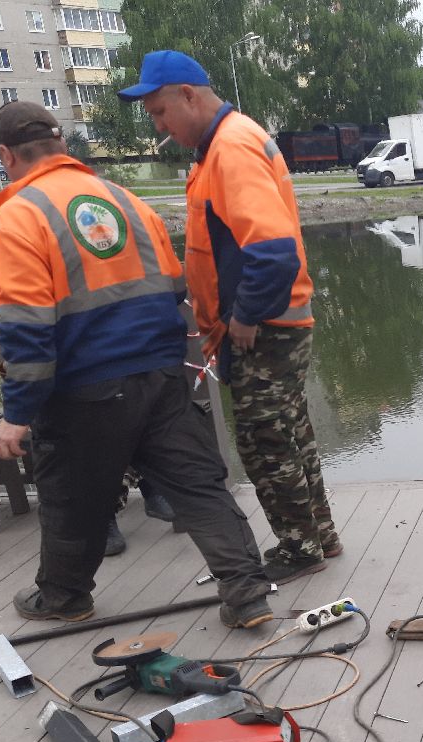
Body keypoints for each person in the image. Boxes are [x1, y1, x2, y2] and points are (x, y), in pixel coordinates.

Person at [0, 100, 272, 628]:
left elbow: (26, 328)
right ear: (62, 146)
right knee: (198, 486)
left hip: (85, 390)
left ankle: (65, 597)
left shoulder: (20, 215)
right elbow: (175, 286)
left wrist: (16, 414)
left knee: (72, 496)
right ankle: (248, 592)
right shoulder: (126, 201)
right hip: (162, 375)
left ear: (5, 154)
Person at [118, 50, 342, 584]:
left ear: (188, 95)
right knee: (290, 433)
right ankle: (319, 536)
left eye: (159, 112)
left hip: (262, 329)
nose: (160, 126)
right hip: (273, 324)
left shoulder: (232, 148)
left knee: (265, 443)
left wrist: (243, 317)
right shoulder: (222, 144)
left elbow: (273, 249)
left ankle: (298, 549)